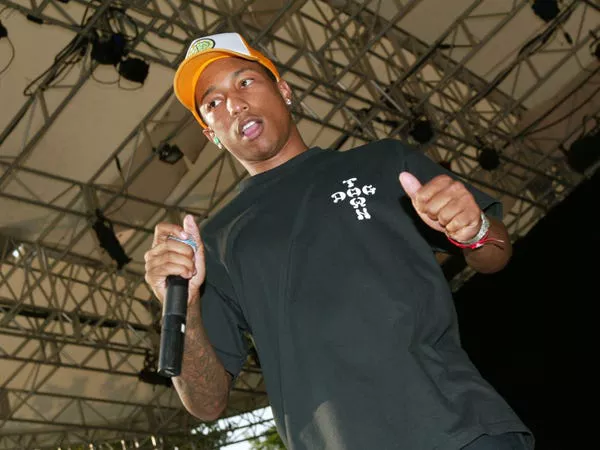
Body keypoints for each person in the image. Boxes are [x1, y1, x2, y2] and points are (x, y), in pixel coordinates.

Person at [144, 32, 534, 450]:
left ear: (284, 90)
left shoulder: (383, 161)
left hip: (459, 429)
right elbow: (206, 403)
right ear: (211, 134)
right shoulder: (216, 242)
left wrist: (473, 230)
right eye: (213, 103)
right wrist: (186, 310)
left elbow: (496, 255)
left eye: (245, 83)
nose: (234, 104)